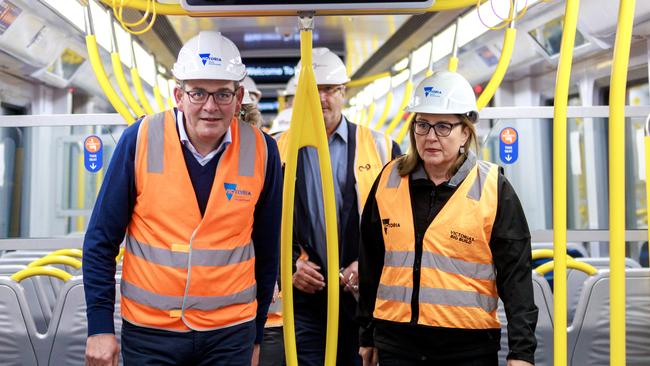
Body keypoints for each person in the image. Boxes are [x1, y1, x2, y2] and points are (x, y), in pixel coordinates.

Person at [83, 30, 282, 366]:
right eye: (198, 93)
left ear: (239, 97)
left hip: (231, 332)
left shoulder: (263, 151)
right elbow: (101, 240)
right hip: (151, 332)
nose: (210, 106)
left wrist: (256, 335)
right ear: (178, 94)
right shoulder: (141, 139)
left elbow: (267, 250)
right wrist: (99, 327)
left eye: (222, 94)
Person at [357, 70, 538, 366]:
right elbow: (371, 262)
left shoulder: (493, 188)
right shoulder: (389, 179)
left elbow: (515, 275)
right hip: (397, 344)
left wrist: (522, 351)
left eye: (443, 127)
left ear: (465, 132)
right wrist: (366, 333)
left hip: (467, 348)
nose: (430, 136)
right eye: (422, 125)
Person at [277, 47, 402, 366]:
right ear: (296, 96)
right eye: (312, 90)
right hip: (305, 297)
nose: (321, 98)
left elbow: (401, 223)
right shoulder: (276, 149)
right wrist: (289, 266)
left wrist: (366, 262)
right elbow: (262, 224)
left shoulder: (382, 147)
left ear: (343, 93)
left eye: (329, 89)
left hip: (363, 295)